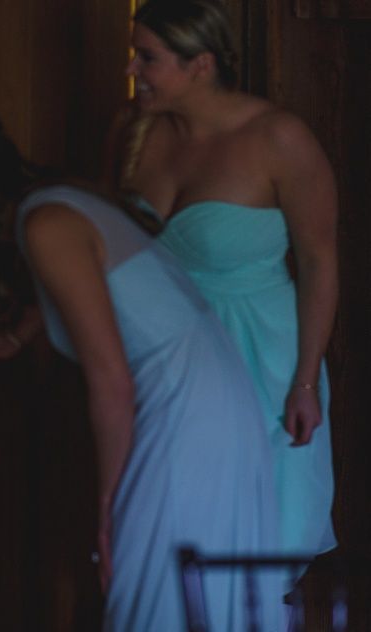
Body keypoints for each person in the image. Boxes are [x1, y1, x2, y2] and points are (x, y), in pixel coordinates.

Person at [0, 93, 283, 630]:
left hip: (184, 415)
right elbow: (106, 291)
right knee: (175, 593)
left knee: (151, 590)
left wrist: (110, 507)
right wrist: (15, 334)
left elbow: (111, 381)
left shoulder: (46, 225)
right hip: (211, 400)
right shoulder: (58, 204)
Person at [114, 0, 337, 558]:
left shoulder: (278, 138)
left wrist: (305, 380)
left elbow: (319, 260)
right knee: (166, 540)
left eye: (148, 57)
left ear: (201, 64)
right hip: (164, 357)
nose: (132, 71)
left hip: (260, 356)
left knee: (253, 546)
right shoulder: (133, 133)